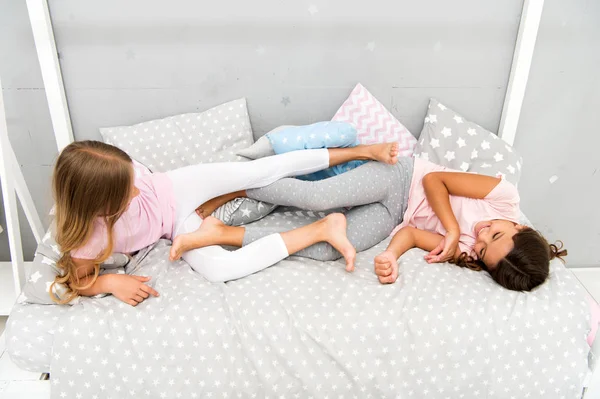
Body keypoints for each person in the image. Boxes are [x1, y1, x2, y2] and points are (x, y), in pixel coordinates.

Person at [51, 140, 399, 305]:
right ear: (98, 205)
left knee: (259, 170)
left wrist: (216, 197)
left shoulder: (135, 177)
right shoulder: (87, 239)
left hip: (176, 186)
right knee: (220, 269)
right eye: (127, 191)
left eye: (132, 177)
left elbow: (145, 181)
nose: (137, 188)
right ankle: (320, 229)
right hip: (176, 226)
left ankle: (362, 151)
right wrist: (110, 282)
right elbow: (75, 282)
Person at [184, 156, 567, 291]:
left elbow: (414, 233)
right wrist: (452, 229)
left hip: (394, 215)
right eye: (493, 233)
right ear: (520, 228)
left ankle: (224, 233)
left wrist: (392, 257)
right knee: (321, 198)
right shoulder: (505, 198)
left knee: (325, 250)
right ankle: (241, 185)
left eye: (482, 251)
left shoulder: (472, 250)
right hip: (402, 177)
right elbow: (437, 181)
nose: (480, 237)